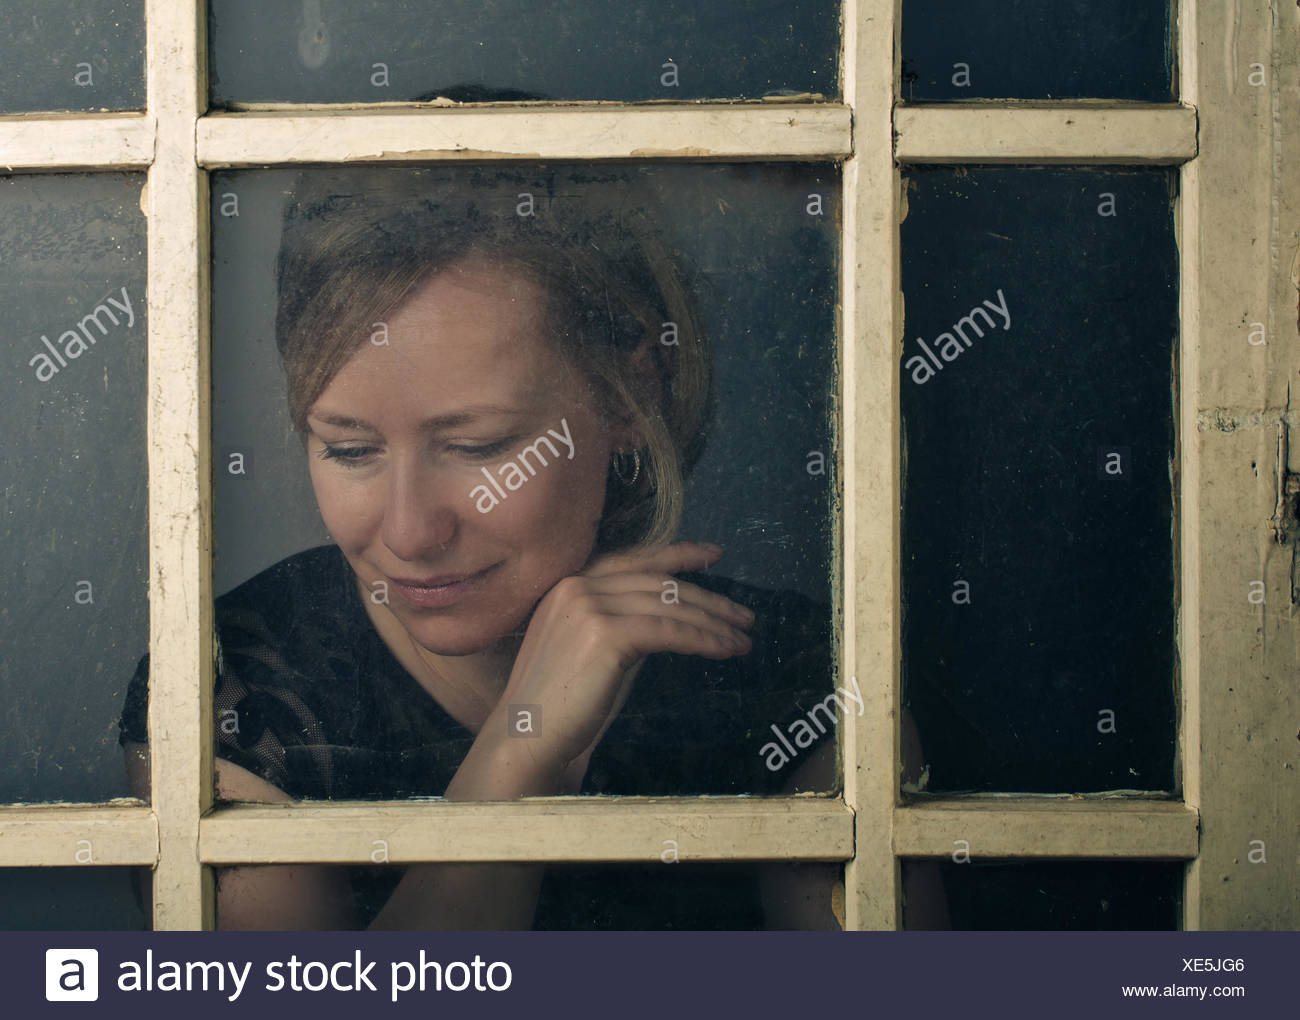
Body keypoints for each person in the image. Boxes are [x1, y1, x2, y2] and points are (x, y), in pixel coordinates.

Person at [120, 166, 945, 929]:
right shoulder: (234, 685)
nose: (410, 533)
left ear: (631, 395)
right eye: (348, 449)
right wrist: (519, 754)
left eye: (480, 447)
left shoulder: (804, 680)